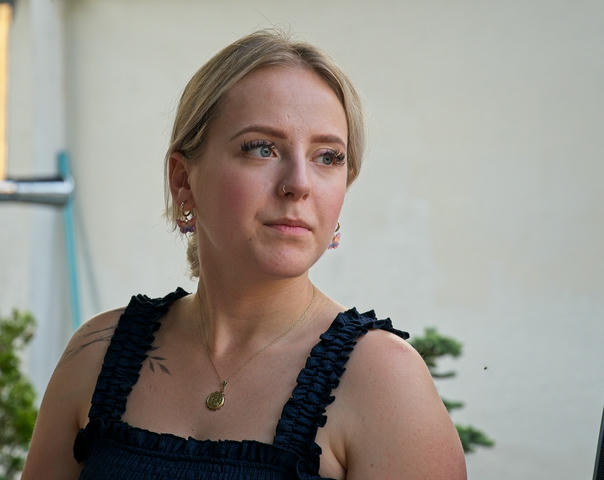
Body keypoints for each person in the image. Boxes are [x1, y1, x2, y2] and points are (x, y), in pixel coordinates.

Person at [22, 30, 466, 479]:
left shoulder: (384, 380)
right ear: (183, 180)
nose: (299, 183)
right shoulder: (96, 355)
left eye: (328, 157)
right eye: (262, 148)